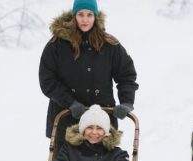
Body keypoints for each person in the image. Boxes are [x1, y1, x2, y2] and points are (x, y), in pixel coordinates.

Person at [39, 0, 138, 140]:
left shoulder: (110, 45)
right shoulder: (56, 45)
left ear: (95, 16)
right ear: (74, 15)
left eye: (89, 15)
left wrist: (127, 101)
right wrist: (70, 102)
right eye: (80, 14)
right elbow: (47, 80)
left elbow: (126, 75)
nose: (85, 19)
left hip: (101, 122)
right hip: (66, 120)